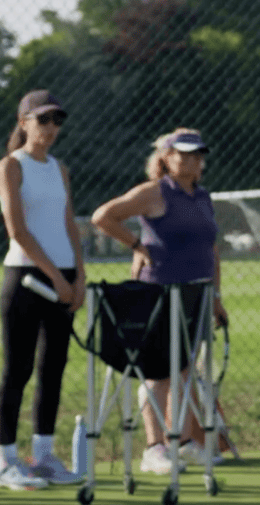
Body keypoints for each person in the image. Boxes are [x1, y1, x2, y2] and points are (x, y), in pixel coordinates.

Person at [91, 128, 229, 475]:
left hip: (195, 295)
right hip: (157, 295)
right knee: (157, 372)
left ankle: (181, 443)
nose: (193, 160)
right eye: (184, 153)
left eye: (198, 154)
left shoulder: (203, 197)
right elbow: (103, 216)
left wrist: (215, 297)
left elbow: (212, 251)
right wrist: (137, 246)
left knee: (183, 370)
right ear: (166, 157)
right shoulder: (153, 193)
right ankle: (154, 448)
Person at [0, 90, 87, 491]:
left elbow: (68, 223)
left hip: (63, 277)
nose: (50, 129)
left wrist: (78, 276)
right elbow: (18, 230)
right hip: (26, 277)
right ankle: (5, 462)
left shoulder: (59, 169)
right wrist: (56, 277)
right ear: (24, 122)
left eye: (56, 121)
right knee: (18, 369)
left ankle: (44, 456)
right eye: (43, 120)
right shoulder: (11, 166)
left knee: (53, 369)